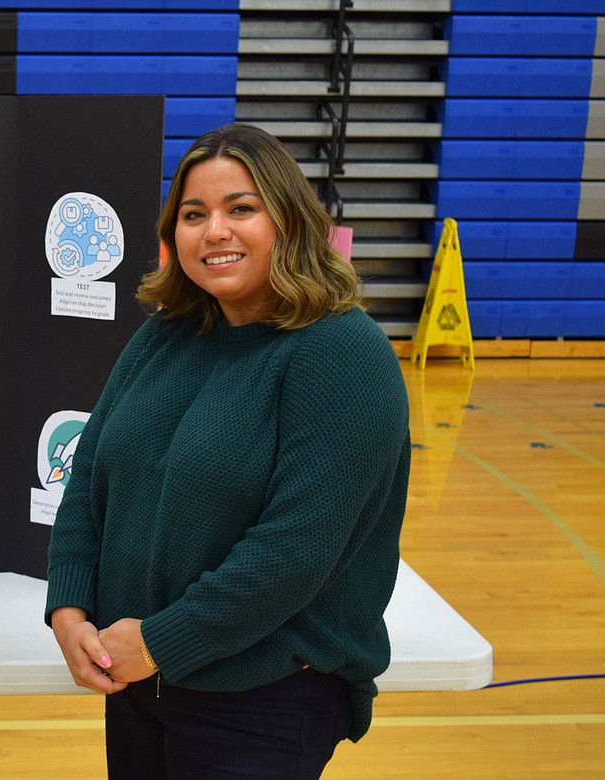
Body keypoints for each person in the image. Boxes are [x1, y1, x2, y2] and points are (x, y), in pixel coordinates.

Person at [44, 123, 411, 779]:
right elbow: (89, 481)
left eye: (241, 208)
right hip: (139, 684)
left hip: (260, 703)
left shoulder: (342, 354)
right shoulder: (168, 335)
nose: (214, 230)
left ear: (289, 221)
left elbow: (295, 549)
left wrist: (159, 641)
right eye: (193, 214)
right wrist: (69, 610)